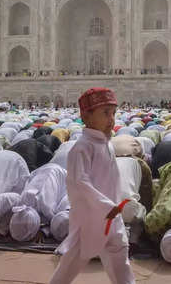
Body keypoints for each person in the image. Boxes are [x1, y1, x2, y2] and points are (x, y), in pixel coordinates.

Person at [49, 88, 134, 284]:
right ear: (86, 116)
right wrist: (106, 205)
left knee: (121, 263)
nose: (111, 119)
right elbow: (80, 182)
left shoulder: (107, 144)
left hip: (112, 218)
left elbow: (112, 180)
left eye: (113, 113)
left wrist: (116, 205)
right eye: (105, 113)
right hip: (91, 219)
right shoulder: (82, 147)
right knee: (70, 266)